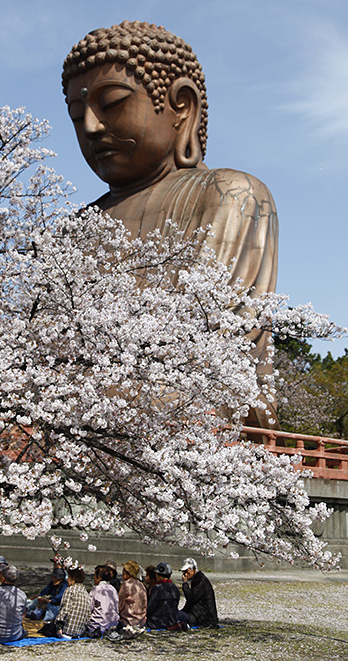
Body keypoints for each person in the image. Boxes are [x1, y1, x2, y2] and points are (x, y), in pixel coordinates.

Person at [62, 21, 279, 428]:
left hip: (183, 423)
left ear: (182, 106)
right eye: (77, 115)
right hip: (72, 425)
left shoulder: (229, 194)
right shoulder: (73, 229)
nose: (91, 127)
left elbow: (218, 342)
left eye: (111, 103)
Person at [178, 557, 219, 628]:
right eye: (184, 572)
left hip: (202, 618)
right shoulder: (198, 579)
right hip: (198, 615)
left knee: (172, 614)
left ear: (193, 569)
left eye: (187, 572)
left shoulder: (200, 581)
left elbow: (191, 598)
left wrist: (185, 584)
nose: (186, 575)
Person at [55, 566, 91, 638]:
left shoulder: (70, 590)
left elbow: (65, 610)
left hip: (67, 631)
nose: (67, 580)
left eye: (68, 578)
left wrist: (59, 626)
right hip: (79, 632)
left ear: (73, 579)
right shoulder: (86, 593)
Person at [146, 562, 180, 630]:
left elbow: (150, 607)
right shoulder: (175, 588)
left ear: (157, 575)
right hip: (171, 622)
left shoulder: (157, 588)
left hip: (156, 622)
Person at [87, 564, 119, 635]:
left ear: (99, 577)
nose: (94, 578)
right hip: (113, 624)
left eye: (95, 576)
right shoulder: (113, 589)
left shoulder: (96, 589)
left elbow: (89, 608)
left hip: (99, 625)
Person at [118, 560, 147, 628]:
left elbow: (120, 603)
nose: (122, 572)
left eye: (123, 571)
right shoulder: (141, 585)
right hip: (141, 619)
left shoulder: (126, 585)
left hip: (128, 619)